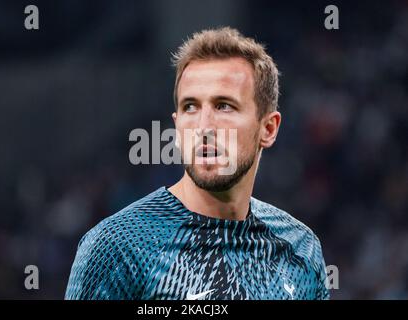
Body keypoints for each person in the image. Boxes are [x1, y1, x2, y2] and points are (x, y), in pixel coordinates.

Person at [65, 27, 329, 300]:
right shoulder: (118, 246)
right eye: (190, 106)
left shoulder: (302, 248)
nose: (203, 127)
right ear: (177, 125)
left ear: (268, 128)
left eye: (224, 106)